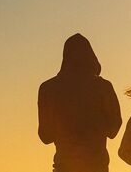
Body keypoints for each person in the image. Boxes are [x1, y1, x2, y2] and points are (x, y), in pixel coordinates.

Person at [37, 34, 122, 172]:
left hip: (64, 166)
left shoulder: (48, 88)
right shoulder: (103, 87)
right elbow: (113, 129)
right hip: (97, 166)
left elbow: (45, 136)